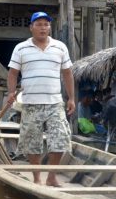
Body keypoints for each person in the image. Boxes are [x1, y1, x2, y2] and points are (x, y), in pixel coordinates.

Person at [7, 11, 75, 187]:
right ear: (31, 28)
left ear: (50, 28)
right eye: (39, 24)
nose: (43, 28)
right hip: (30, 103)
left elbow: (67, 73)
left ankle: (51, 177)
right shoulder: (21, 48)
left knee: (60, 138)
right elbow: (13, 73)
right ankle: (37, 177)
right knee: (31, 142)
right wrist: (11, 92)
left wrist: (71, 98)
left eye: (46, 24)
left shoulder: (60, 47)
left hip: (55, 103)